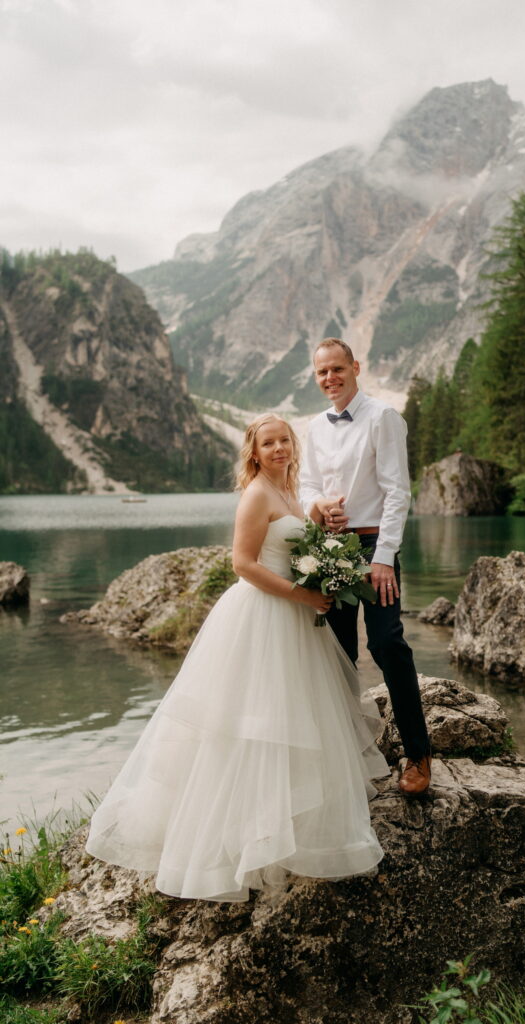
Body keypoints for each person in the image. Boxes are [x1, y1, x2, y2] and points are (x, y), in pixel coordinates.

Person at [86, 413, 388, 901]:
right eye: (268, 443)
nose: (278, 449)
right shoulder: (256, 494)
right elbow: (243, 564)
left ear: (294, 445)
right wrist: (304, 595)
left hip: (293, 619)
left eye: (284, 441)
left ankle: (292, 823)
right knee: (252, 725)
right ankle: (240, 837)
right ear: (253, 452)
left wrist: (319, 527)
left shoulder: (289, 492)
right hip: (264, 616)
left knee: (293, 719)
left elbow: (291, 538)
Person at [300, 338, 431, 795]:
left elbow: (398, 492)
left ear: (356, 367)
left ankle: (418, 755)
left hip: (375, 545)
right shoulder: (315, 426)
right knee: (337, 652)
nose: (330, 378)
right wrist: (319, 504)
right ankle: (347, 754)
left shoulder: (383, 418)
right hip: (332, 545)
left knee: (387, 643)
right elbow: (307, 484)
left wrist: (382, 559)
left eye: (338, 369)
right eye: (322, 373)